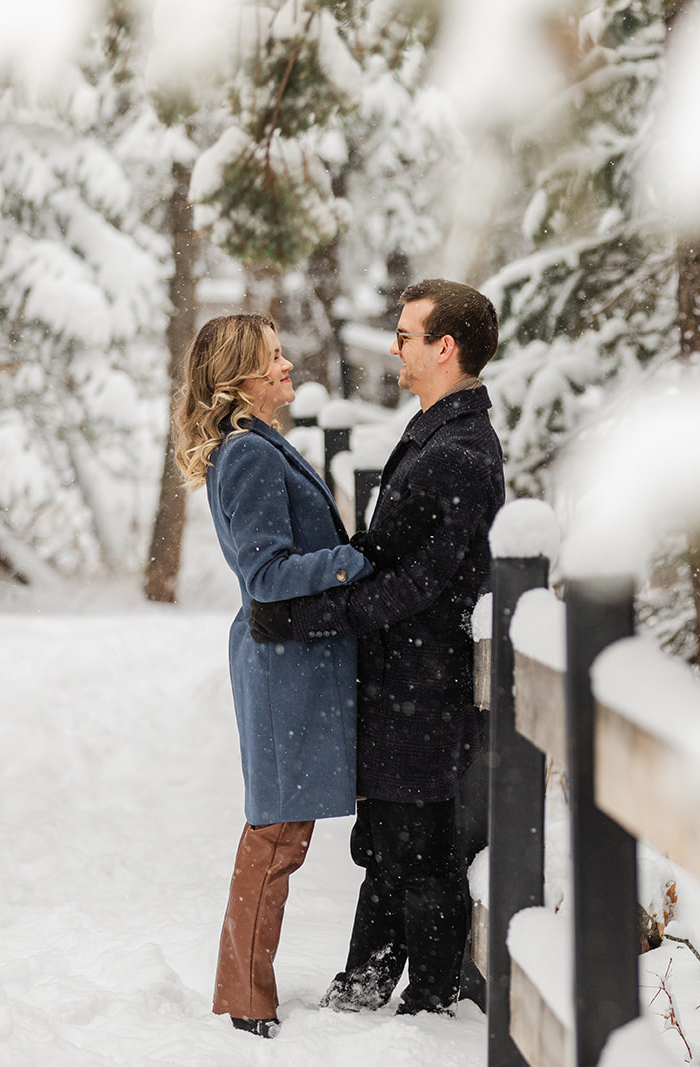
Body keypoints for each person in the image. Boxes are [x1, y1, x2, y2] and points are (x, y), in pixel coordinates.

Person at [250, 279, 506, 1016]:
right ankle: (363, 989)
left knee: (418, 846)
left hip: (425, 683)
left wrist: (305, 617)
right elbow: (384, 559)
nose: (395, 345)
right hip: (402, 677)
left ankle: (428, 1004)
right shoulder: (433, 429)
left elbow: (415, 583)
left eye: (406, 334)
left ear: (444, 347)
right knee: (391, 839)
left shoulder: (458, 449)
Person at [174, 313, 374, 1039]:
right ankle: (245, 996)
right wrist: (356, 558)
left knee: (280, 830)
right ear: (243, 380)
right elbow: (265, 572)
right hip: (284, 662)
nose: (289, 367)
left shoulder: (256, 444)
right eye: (275, 358)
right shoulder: (250, 455)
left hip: (293, 658)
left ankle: (243, 986)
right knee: (277, 833)